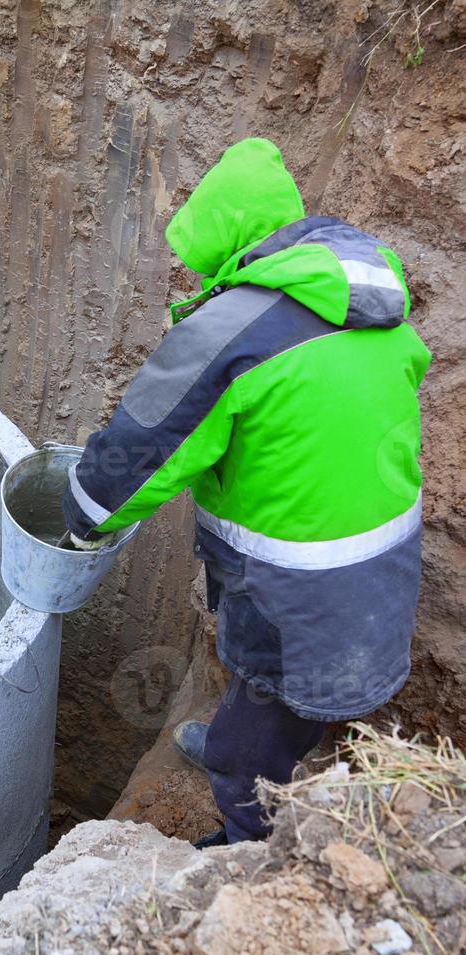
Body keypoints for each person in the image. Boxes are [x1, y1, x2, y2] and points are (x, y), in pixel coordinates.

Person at [61, 138, 430, 847]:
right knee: (278, 699)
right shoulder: (372, 303)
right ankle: (259, 742)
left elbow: (146, 448)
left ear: (232, 243)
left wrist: (82, 518)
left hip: (298, 594)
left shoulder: (236, 332)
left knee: (247, 755)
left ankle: (244, 853)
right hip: (376, 576)